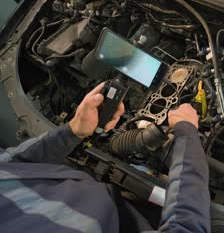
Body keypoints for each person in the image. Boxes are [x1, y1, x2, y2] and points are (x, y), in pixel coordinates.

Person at [0, 83, 210, 233]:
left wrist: (73, 130)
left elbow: (15, 163)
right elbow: (186, 226)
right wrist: (187, 132)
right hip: (142, 218)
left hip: (97, 187)